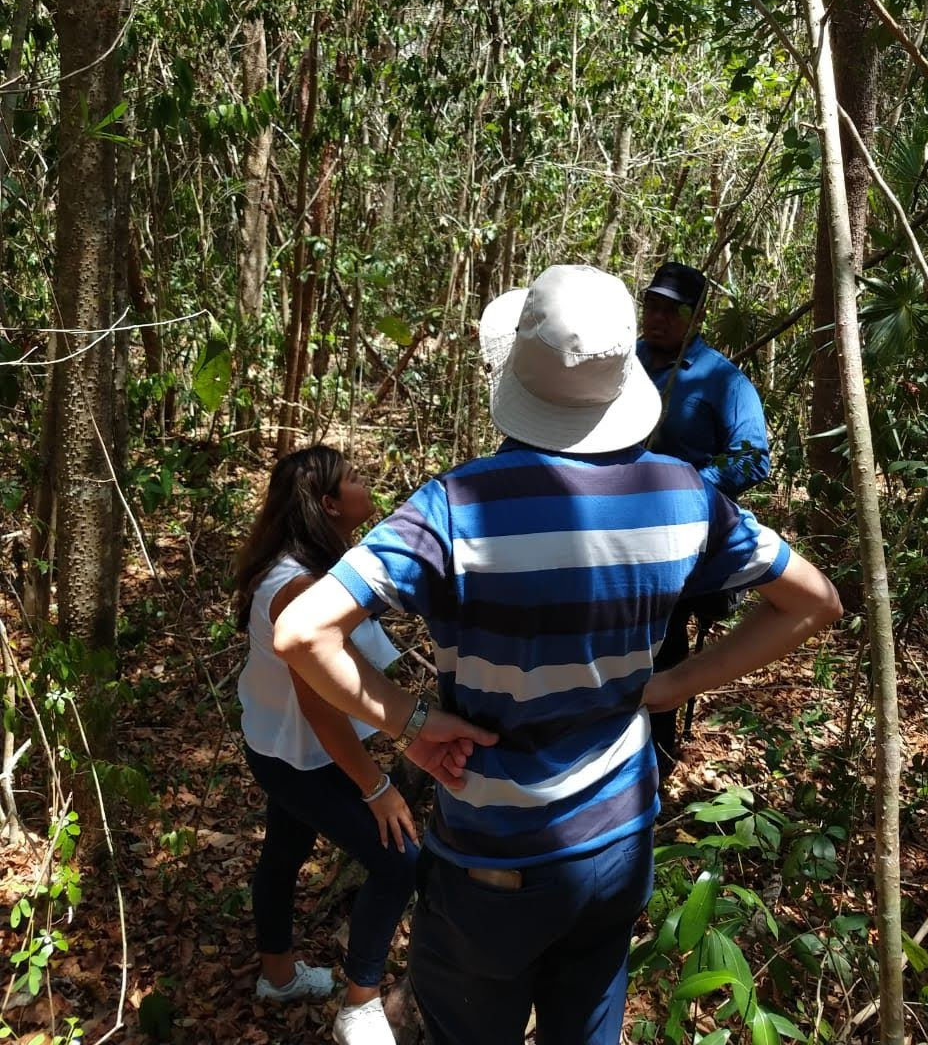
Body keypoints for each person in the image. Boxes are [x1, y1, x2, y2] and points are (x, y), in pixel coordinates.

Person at [273, 265, 841, 1045]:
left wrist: (410, 722)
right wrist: (673, 683)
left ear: (517, 376)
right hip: (618, 843)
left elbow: (302, 633)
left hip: (495, 861)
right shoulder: (682, 494)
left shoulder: (453, 507)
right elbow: (816, 601)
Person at [235, 444, 419, 1045]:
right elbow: (319, 706)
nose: (368, 483)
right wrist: (377, 785)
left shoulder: (312, 564)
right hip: (299, 755)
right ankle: (360, 1006)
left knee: (285, 852)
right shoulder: (298, 585)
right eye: (355, 478)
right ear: (329, 504)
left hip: (276, 743)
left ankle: (278, 976)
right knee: (398, 861)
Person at [637, 260, 771, 777]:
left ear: (696, 317)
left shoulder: (721, 379)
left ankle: (658, 766)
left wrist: (690, 486)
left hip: (685, 546)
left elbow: (753, 456)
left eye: (673, 310)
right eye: (652, 305)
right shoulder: (625, 366)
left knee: (665, 654)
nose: (659, 317)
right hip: (619, 536)